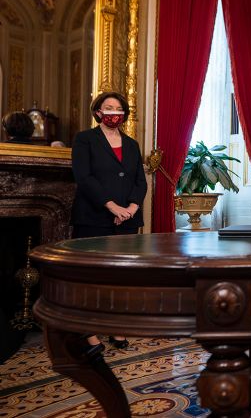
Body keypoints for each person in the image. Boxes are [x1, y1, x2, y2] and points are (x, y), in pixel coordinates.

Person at [71, 91, 147, 351]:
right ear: (98, 112)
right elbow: (84, 178)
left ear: (124, 114)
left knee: (120, 277)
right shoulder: (85, 139)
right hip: (93, 217)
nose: (113, 112)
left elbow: (140, 180)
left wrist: (131, 209)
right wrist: (112, 206)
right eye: (108, 107)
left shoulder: (132, 144)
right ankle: (88, 330)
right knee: (92, 276)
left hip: (127, 219)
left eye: (118, 108)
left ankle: (116, 325)